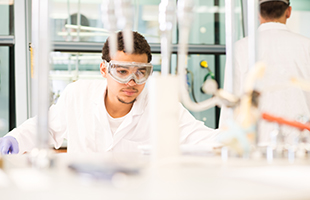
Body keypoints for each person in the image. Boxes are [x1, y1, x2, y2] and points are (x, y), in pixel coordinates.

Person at [0, 31, 218, 154]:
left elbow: (201, 137)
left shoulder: (160, 104)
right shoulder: (78, 94)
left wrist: (238, 135)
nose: (132, 82)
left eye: (141, 72)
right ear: (104, 69)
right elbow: (45, 128)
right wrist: (14, 139)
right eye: (122, 71)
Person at [219, 0, 310, 144]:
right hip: (302, 143)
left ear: (257, 13)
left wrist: (225, 142)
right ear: (288, 12)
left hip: (255, 142)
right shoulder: (307, 46)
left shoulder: (240, 48)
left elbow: (230, 103)